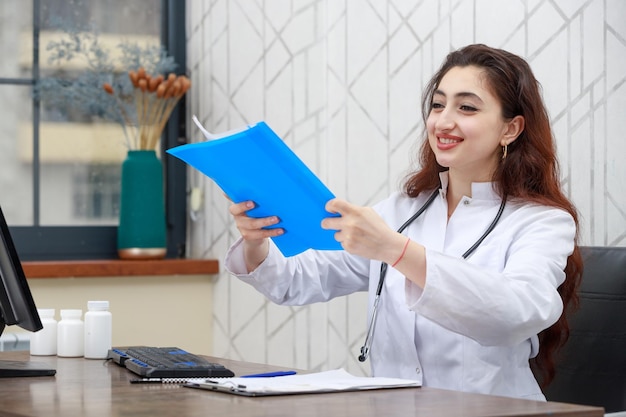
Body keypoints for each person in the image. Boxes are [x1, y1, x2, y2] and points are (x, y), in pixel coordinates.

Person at [224, 44, 582, 401]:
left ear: (511, 128)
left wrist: (395, 250)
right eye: (438, 104)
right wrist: (257, 241)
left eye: (467, 107)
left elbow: (516, 312)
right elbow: (296, 280)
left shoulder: (543, 222)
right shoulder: (402, 210)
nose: (443, 121)